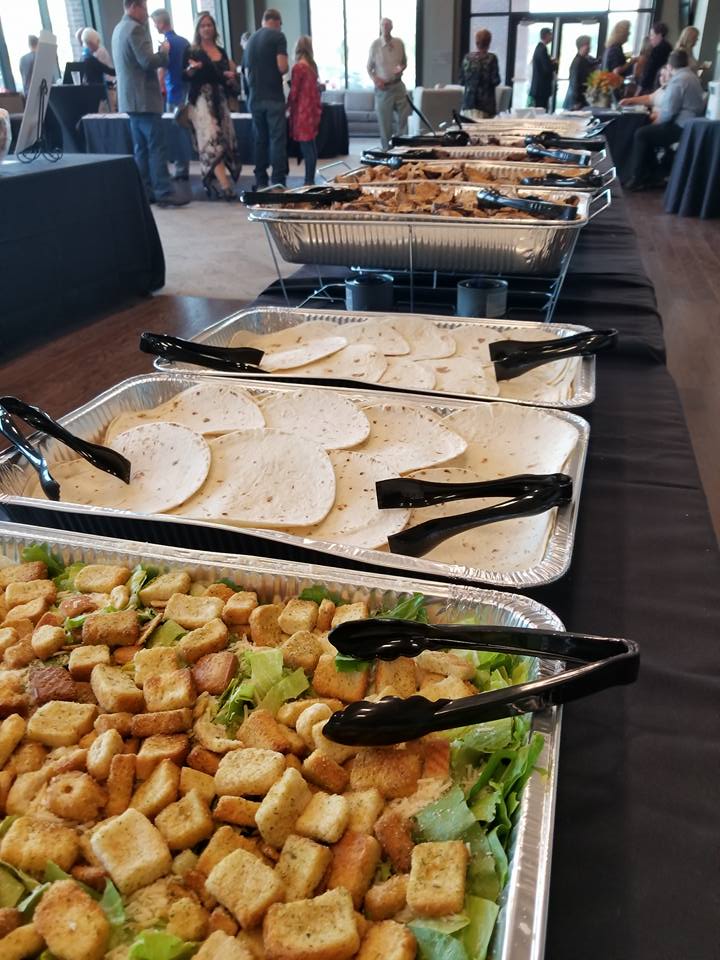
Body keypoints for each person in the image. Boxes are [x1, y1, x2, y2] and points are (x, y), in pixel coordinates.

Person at [112, 0, 188, 206]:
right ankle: (164, 191)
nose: (146, 14)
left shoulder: (118, 29)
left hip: (130, 100)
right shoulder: (135, 29)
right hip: (144, 98)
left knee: (141, 149)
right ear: (134, 6)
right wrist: (163, 52)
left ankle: (147, 192)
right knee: (156, 148)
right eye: (144, 8)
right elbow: (148, 62)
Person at [626, 50, 705, 190]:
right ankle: (655, 174)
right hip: (692, 125)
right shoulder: (693, 77)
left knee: (641, 134)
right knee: (647, 133)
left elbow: (668, 112)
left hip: (681, 126)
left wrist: (655, 120)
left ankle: (638, 177)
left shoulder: (678, 81)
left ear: (670, 66)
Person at [183, 11, 240, 200]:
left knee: (224, 141)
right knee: (211, 140)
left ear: (214, 28)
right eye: (203, 25)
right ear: (198, 29)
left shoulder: (221, 51)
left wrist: (230, 78)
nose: (206, 28)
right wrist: (192, 70)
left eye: (209, 25)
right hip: (201, 102)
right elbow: (183, 76)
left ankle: (219, 181)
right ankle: (225, 186)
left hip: (220, 101)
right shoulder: (192, 51)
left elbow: (223, 78)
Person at [243, 8, 288, 189]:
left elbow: (245, 72)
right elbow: (282, 66)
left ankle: (261, 179)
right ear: (277, 22)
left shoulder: (250, 40)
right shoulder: (278, 37)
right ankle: (278, 181)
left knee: (260, 139)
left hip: (254, 98)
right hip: (273, 98)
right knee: (277, 140)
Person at [151, 8, 192, 182]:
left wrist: (158, 89)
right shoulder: (185, 42)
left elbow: (161, 71)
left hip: (173, 92)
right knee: (188, 130)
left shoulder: (165, 45)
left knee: (177, 132)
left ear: (161, 23)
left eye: (155, 23)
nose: (154, 27)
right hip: (188, 91)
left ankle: (181, 169)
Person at [367, 18, 409, 151]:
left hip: (398, 85)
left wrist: (401, 68)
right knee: (385, 124)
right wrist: (376, 80)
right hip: (383, 89)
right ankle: (387, 150)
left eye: (388, 25)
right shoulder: (375, 45)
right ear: (380, 27)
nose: (385, 27)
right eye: (383, 25)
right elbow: (369, 68)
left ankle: (402, 148)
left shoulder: (399, 43)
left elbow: (404, 62)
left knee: (404, 118)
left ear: (392, 27)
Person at [288, 36, 322, 186]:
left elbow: (294, 92)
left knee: (307, 148)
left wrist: (287, 105)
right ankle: (310, 179)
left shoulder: (298, 68)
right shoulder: (312, 67)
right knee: (311, 147)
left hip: (302, 111)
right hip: (312, 110)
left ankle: (308, 181)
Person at [459, 28, 500, 118]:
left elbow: (461, 81)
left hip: (468, 104)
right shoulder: (491, 58)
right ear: (489, 42)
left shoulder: (467, 58)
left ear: (476, 42)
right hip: (486, 105)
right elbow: (495, 80)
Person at [564, 35, 596, 110]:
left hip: (580, 99)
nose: (590, 47)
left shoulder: (584, 60)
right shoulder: (578, 62)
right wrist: (576, 101)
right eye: (587, 44)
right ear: (582, 46)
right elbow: (575, 82)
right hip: (576, 101)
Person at [638, 22, 672, 94]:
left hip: (653, 85)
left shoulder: (657, 50)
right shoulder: (669, 47)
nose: (650, 38)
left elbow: (650, 70)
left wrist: (641, 87)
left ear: (659, 35)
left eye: (652, 35)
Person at [529, 28, 555, 111]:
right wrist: (554, 64)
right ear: (546, 35)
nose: (552, 37)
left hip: (539, 88)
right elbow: (546, 69)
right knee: (541, 112)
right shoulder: (542, 49)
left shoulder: (539, 48)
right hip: (541, 89)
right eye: (551, 35)